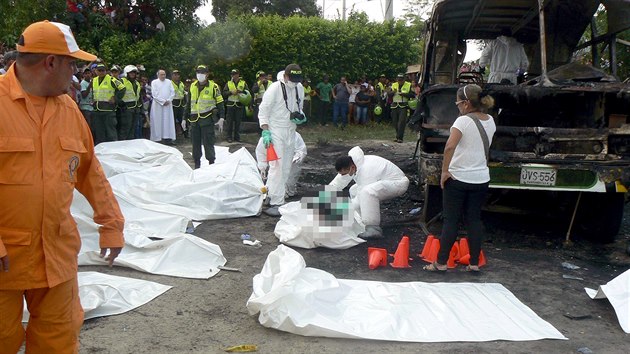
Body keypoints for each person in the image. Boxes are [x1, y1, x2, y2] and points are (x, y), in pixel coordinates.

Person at [0, 20, 124, 353]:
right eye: (72, 64)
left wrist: (111, 225)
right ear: (50, 62)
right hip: (5, 261)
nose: (75, 74)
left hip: (55, 257)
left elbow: (90, 173)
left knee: (56, 341)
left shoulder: (68, 110)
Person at [424, 84, 496, 272]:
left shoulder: (462, 122)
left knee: (451, 221)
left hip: (458, 179)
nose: (457, 107)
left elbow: (449, 147)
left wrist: (444, 171)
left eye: (457, 103)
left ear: (465, 104)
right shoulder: (490, 120)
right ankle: (473, 263)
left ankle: (440, 263)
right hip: (481, 178)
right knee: (474, 220)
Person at [329, 146, 409, 239]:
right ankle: (362, 223)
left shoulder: (366, 170)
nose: (344, 175)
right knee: (353, 190)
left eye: (345, 172)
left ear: (351, 167)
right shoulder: (354, 164)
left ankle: (373, 229)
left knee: (367, 193)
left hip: (397, 183)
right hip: (382, 181)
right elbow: (338, 181)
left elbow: (362, 197)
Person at [258, 64, 306, 216]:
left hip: (291, 130)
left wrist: (301, 117)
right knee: (276, 165)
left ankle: (272, 195)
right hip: (275, 129)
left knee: (286, 165)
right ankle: (276, 201)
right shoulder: (274, 88)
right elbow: (263, 110)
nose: (294, 82)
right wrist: (265, 130)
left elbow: (300, 108)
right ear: (285, 76)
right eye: (292, 79)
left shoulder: (299, 88)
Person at [187, 65, 225, 169]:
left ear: (207, 74)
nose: (200, 75)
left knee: (208, 142)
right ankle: (197, 164)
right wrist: (183, 118)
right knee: (195, 143)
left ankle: (211, 164)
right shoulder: (192, 86)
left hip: (207, 118)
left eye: (202, 73)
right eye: (198, 72)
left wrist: (222, 117)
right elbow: (188, 103)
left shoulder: (214, 86)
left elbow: (220, 102)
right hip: (194, 119)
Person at [256, 131, 307, 198]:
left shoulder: (294, 135)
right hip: (275, 163)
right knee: (274, 181)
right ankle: (271, 193)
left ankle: (287, 191)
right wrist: (262, 167)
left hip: (291, 164)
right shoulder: (267, 138)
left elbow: (301, 150)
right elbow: (261, 152)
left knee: (289, 184)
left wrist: (296, 158)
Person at [91, 63, 126, 144]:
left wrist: (116, 98)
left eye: (103, 70)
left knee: (111, 133)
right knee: (99, 132)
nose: (101, 72)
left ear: (106, 71)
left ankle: (114, 150)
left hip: (108, 110)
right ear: (96, 71)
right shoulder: (94, 80)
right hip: (97, 109)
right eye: (99, 70)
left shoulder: (111, 79)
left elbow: (122, 88)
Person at [150, 69, 177, 144]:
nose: (163, 76)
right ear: (158, 75)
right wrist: (162, 101)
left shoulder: (169, 82)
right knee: (157, 121)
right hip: (158, 105)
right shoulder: (154, 82)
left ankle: (168, 138)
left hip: (168, 105)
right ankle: (157, 138)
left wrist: (169, 100)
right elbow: (154, 94)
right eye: (161, 74)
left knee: (167, 121)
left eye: (164, 74)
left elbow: (172, 92)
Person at [222, 68, 249, 142]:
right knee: (229, 122)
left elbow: (248, 93)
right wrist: (231, 92)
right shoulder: (228, 83)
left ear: (238, 74)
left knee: (238, 122)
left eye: (235, 74)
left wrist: (241, 92)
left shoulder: (243, 83)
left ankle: (237, 137)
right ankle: (229, 137)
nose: (234, 76)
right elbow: (224, 93)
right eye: (232, 74)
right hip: (230, 105)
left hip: (239, 104)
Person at [119, 65, 142, 140]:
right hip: (126, 109)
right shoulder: (122, 81)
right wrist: (121, 104)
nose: (133, 74)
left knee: (133, 128)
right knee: (125, 128)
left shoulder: (137, 83)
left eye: (134, 73)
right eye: (131, 73)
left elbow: (138, 96)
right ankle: (122, 145)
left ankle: (130, 145)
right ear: (126, 73)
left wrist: (140, 107)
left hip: (135, 108)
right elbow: (116, 93)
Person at [389, 73, 413, 143]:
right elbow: (389, 94)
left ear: (404, 79)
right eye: (398, 80)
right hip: (395, 105)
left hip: (403, 105)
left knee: (401, 122)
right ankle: (397, 135)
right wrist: (393, 92)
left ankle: (400, 138)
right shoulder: (394, 85)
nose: (400, 81)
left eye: (401, 80)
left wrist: (403, 94)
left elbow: (412, 95)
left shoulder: (408, 85)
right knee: (395, 122)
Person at [171, 69, 187, 138]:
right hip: (173, 103)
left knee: (183, 119)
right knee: (173, 120)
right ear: (172, 76)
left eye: (178, 74)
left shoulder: (181, 83)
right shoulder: (170, 83)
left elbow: (183, 91)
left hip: (181, 103)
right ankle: (173, 135)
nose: (177, 76)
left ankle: (186, 133)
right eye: (175, 75)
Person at [79, 67, 94, 131]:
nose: (88, 75)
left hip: (92, 107)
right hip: (85, 107)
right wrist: (90, 86)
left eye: (89, 73)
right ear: (83, 75)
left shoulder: (92, 81)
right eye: (86, 73)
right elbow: (84, 95)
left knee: (93, 126)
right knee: (88, 125)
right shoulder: (83, 83)